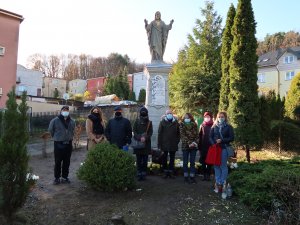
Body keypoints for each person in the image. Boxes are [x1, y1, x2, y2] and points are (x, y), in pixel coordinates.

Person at [48, 105, 75, 185]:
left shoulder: (72, 121)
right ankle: (57, 178)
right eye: (64, 110)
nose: (65, 111)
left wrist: (69, 137)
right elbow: (50, 130)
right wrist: (56, 137)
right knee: (58, 161)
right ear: (61, 111)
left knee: (67, 161)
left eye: (67, 110)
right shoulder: (55, 120)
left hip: (68, 144)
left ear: (68, 111)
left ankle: (65, 177)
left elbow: (73, 130)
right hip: (58, 144)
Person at [209, 112, 234, 193]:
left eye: (222, 117)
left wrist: (222, 140)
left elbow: (231, 138)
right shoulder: (214, 126)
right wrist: (213, 144)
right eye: (219, 117)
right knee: (216, 165)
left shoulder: (229, 127)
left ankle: (223, 182)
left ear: (225, 117)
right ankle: (218, 182)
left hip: (224, 148)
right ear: (217, 117)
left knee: (223, 165)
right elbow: (210, 137)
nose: (220, 118)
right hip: (216, 148)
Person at [157, 109, 180, 178]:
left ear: (172, 114)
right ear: (166, 114)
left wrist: (177, 141)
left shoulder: (176, 122)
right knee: (164, 158)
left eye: (170, 113)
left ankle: (171, 172)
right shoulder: (162, 122)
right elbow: (159, 133)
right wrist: (159, 144)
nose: (169, 114)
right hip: (164, 144)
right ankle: (165, 172)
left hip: (173, 144)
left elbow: (178, 133)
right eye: (168, 113)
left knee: (172, 159)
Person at [132, 107, 153, 181]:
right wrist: (139, 138)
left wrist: (145, 138)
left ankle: (144, 173)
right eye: (142, 112)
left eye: (144, 112)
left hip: (146, 144)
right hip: (138, 144)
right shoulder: (136, 121)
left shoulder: (149, 122)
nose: (143, 113)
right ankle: (139, 173)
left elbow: (150, 133)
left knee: (145, 160)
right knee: (138, 160)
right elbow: (134, 131)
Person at [179, 113, 198, 184]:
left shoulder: (194, 124)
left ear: (191, 117)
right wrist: (189, 143)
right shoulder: (181, 124)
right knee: (185, 162)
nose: (187, 118)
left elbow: (197, 135)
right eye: (185, 117)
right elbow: (182, 135)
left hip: (194, 146)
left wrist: (194, 143)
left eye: (188, 117)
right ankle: (186, 177)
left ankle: (192, 177)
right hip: (185, 146)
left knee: (192, 162)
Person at [198, 111, 214, 181]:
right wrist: (199, 146)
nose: (207, 118)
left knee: (210, 162)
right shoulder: (202, 125)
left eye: (208, 117)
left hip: (211, 146)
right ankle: (204, 175)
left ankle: (208, 175)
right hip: (203, 146)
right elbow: (199, 136)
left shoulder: (213, 125)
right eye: (205, 117)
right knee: (203, 162)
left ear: (211, 118)